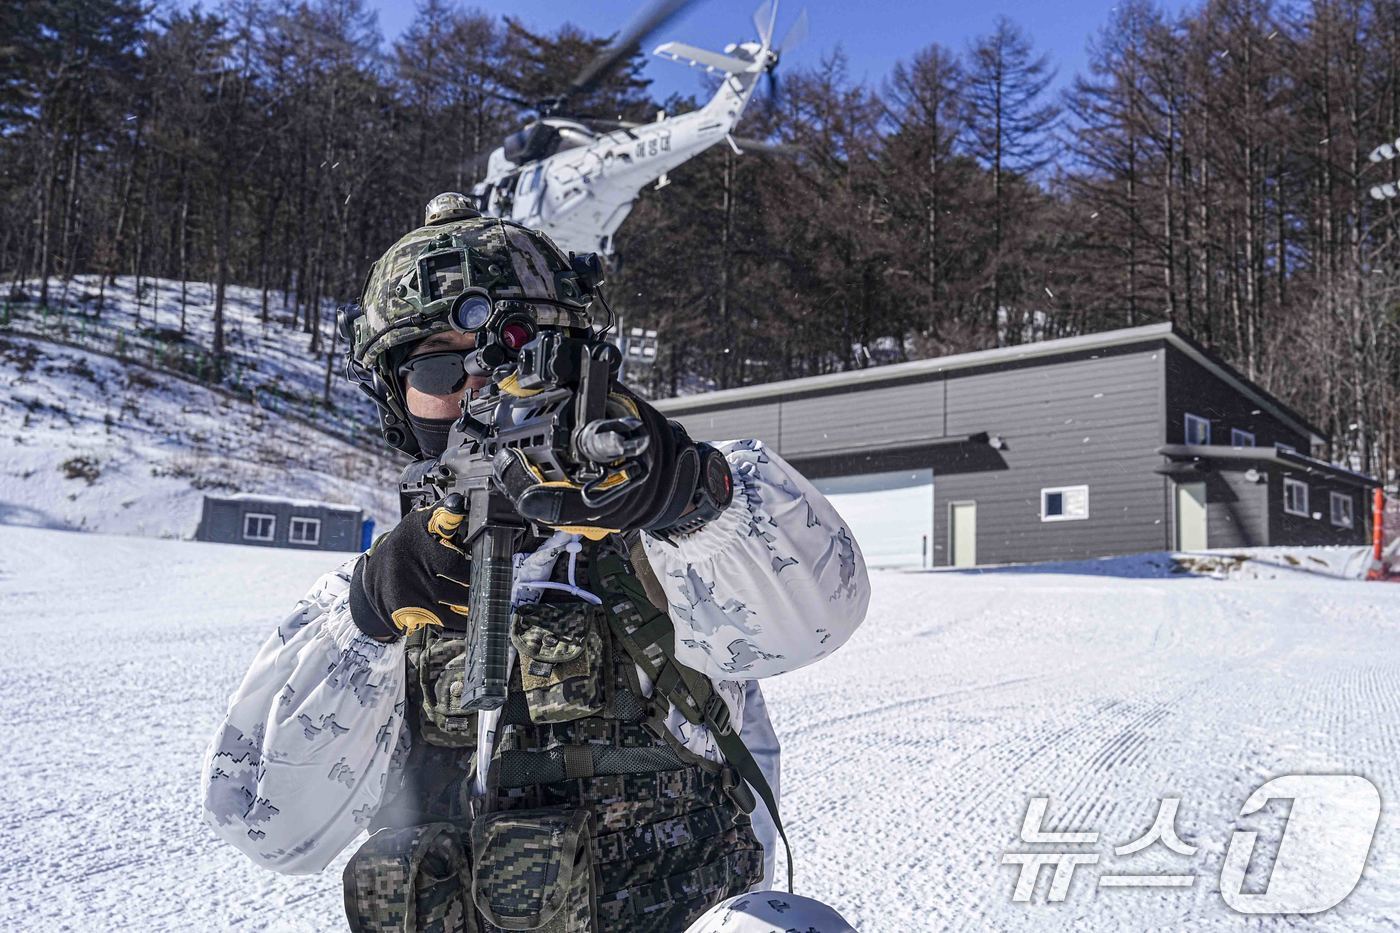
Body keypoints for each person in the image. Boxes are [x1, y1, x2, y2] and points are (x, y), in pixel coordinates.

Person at [199, 195, 870, 932]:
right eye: (437, 367)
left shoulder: (671, 547)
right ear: (397, 398)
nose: (477, 388)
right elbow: (267, 826)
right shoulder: (377, 602)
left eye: (513, 352)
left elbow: (820, 613)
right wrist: (373, 605)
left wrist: (679, 490)